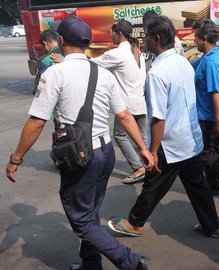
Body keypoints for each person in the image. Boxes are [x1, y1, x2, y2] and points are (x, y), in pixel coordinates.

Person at [5, 15, 151, 270]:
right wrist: (143, 149)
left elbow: (37, 122)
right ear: (88, 42)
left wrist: (16, 158)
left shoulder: (54, 73)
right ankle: (90, 264)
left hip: (80, 156)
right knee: (91, 213)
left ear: (61, 40)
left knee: (82, 221)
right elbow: (125, 115)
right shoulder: (102, 72)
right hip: (105, 153)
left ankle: (130, 261)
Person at [107, 15, 219, 239]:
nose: (145, 41)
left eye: (147, 37)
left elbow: (158, 118)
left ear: (156, 38)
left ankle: (135, 223)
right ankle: (212, 226)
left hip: (170, 143)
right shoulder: (182, 62)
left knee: (153, 184)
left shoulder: (158, 73)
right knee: (198, 186)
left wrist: (152, 152)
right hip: (191, 138)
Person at [91, 19, 148, 184]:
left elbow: (90, 63)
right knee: (142, 138)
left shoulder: (117, 53)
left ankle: (138, 168)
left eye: (112, 34)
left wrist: (67, 60)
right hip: (140, 102)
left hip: (127, 106)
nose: (111, 37)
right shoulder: (136, 51)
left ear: (120, 34)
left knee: (120, 135)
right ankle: (150, 165)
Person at [190, 19, 219, 195]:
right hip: (210, 116)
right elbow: (190, 65)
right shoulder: (207, 57)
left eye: (196, 38)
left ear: (205, 39)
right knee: (213, 152)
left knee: (207, 155)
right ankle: (213, 185)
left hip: (211, 118)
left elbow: (216, 93)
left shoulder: (211, 63)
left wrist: (218, 120)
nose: (194, 42)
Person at [32, 29, 63, 95]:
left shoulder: (44, 60)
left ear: (45, 43)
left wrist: (36, 93)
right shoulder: (69, 54)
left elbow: (40, 85)